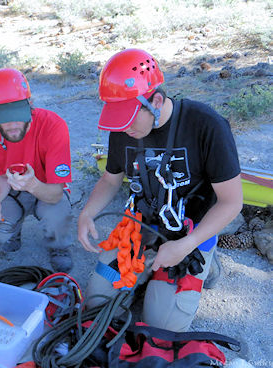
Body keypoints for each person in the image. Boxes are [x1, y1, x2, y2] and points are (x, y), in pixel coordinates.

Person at [78, 49, 242, 332]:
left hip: (190, 232)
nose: (123, 127)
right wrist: (87, 213)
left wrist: (186, 245)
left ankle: (205, 262)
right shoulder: (123, 129)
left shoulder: (207, 125)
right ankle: (149, 271)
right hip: (141, 226)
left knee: (161, 327)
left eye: (128, 117)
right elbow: (110, 179)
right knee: (97, 301)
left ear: (155, 100)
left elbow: (231, 202)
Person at [0, 68, 73, 272]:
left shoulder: (53, 125)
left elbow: (55, 194)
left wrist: (32, 184)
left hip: (47, 188)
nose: (12, 125)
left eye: (17, 115)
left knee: (58, 214)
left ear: (30, 106)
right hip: (13, 191)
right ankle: (13, 231)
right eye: (4, 117)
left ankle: (58, 246)